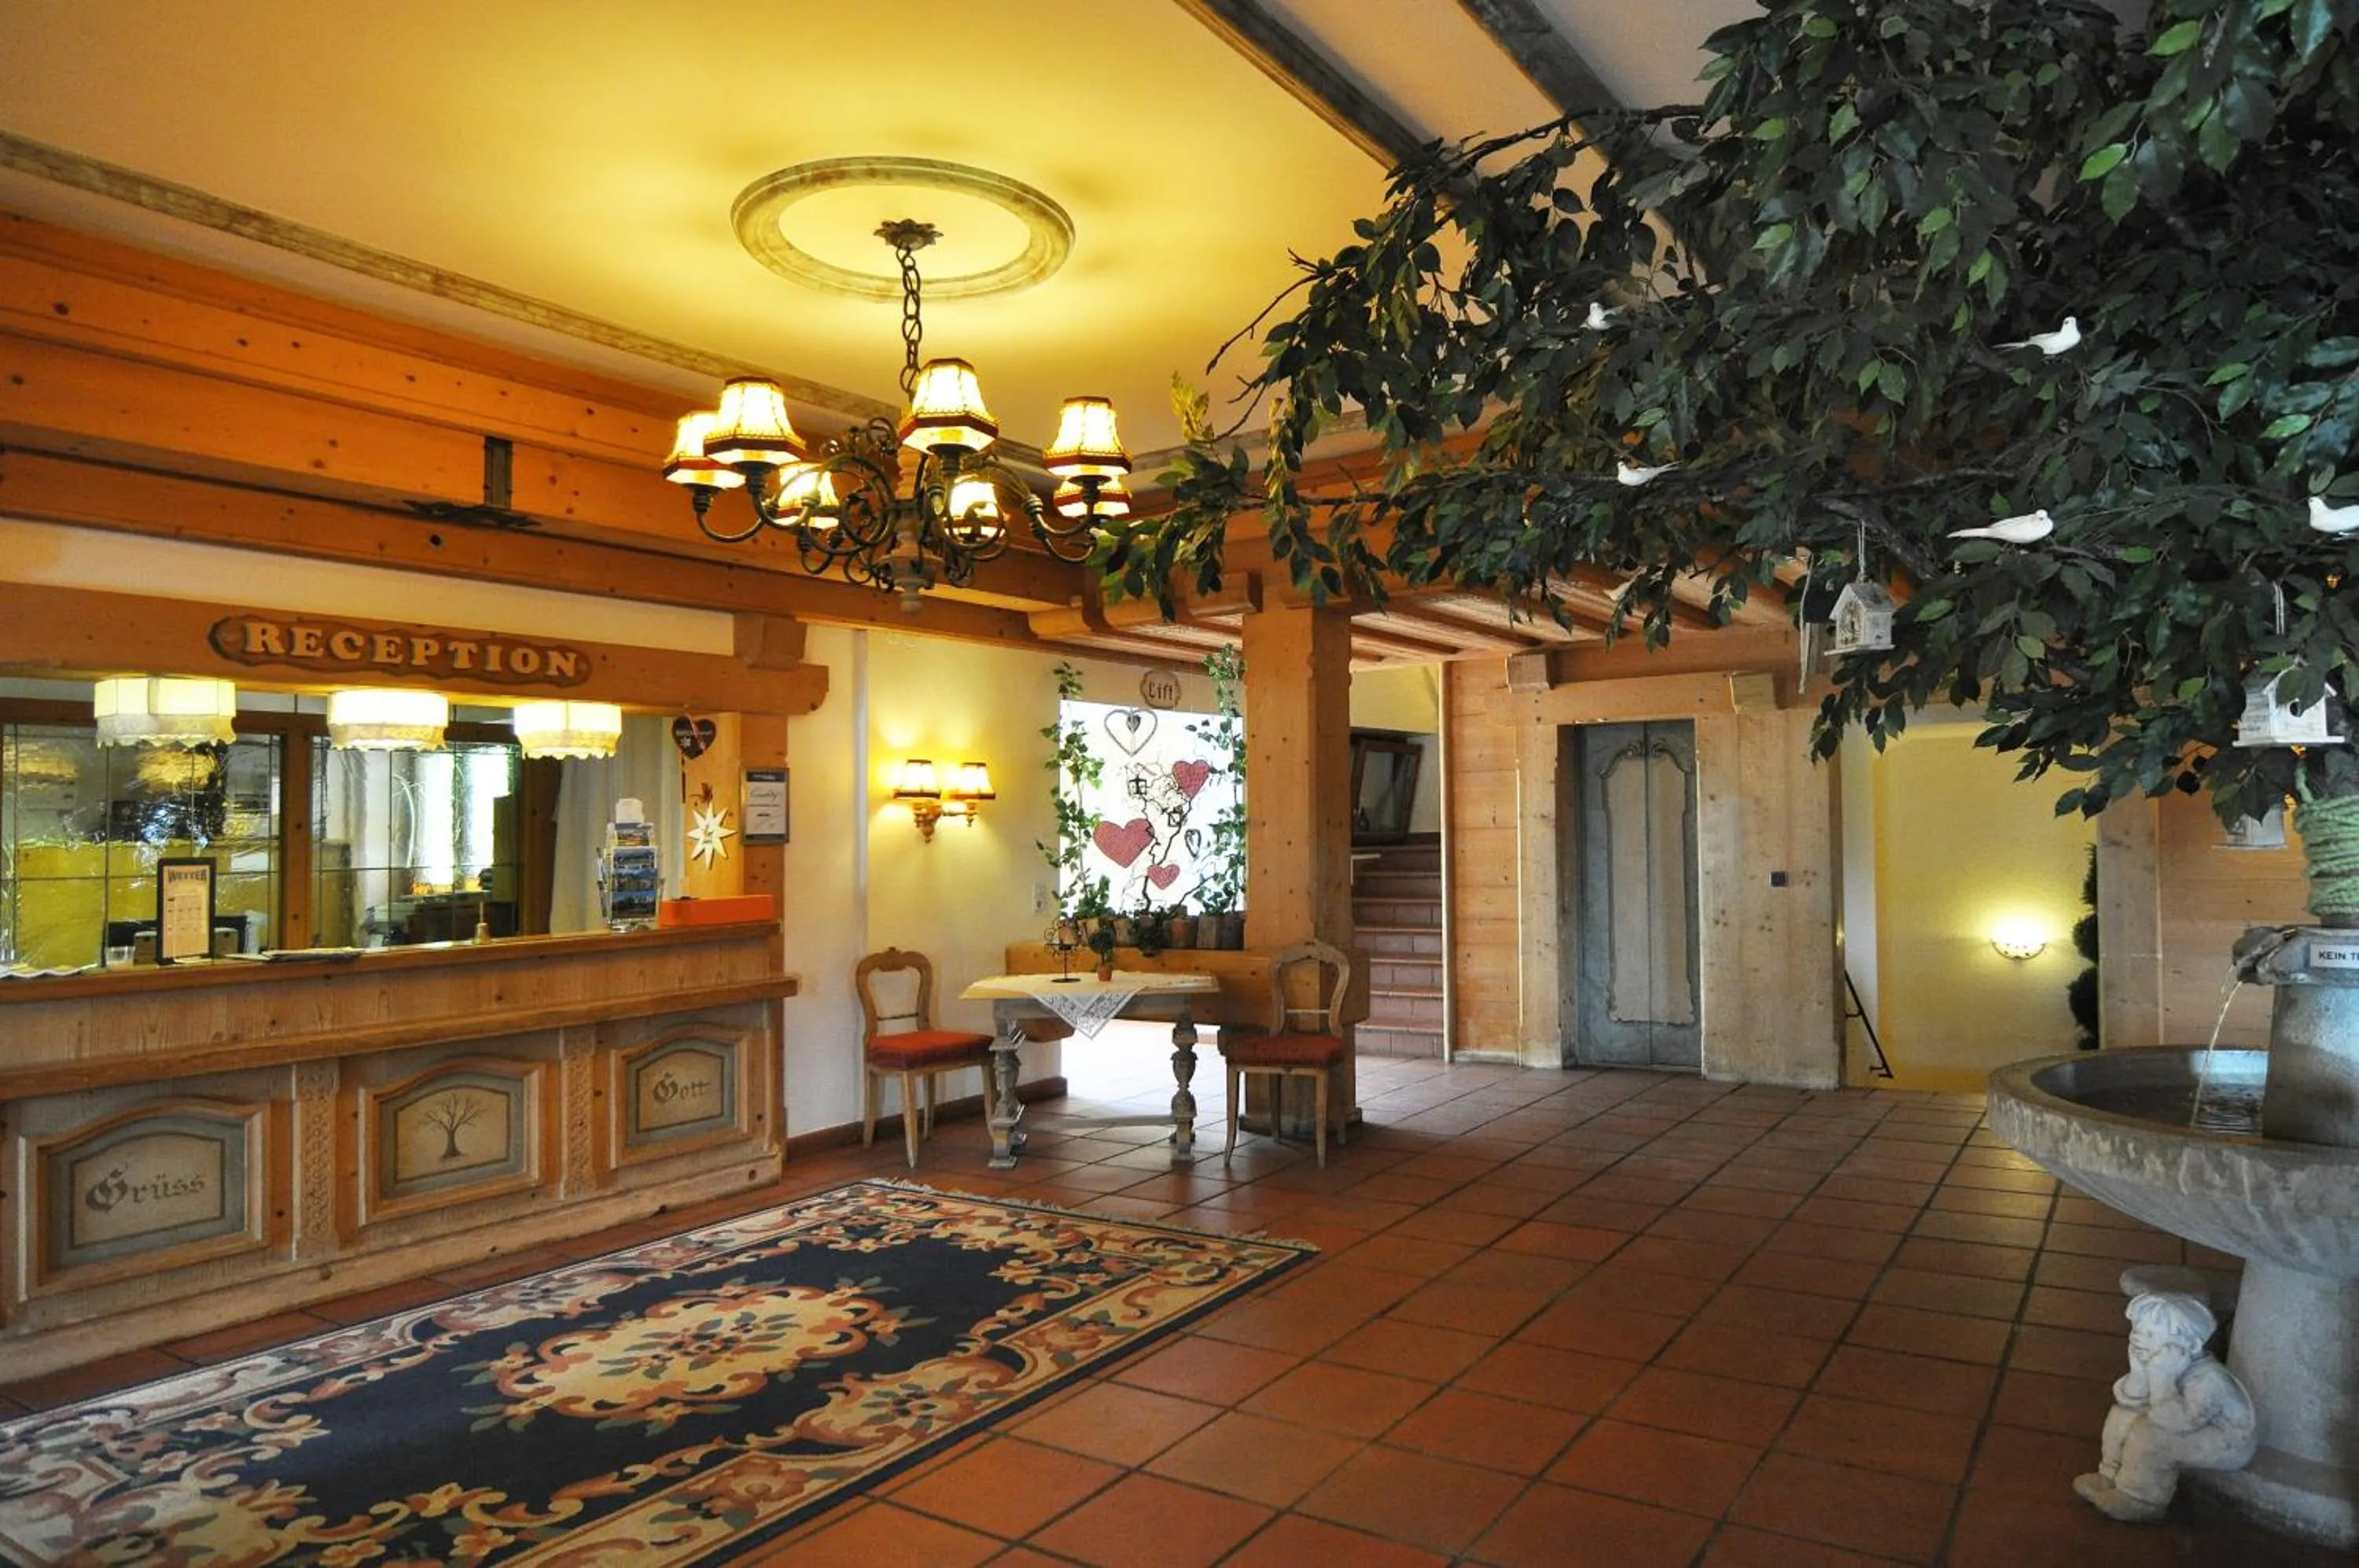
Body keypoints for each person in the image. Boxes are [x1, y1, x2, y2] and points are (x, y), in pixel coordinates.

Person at [2074, 1291, 2258, 1522]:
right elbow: (2131, 1400)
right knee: (2124, 1415)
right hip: (2178, 1416)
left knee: (2151, 1434)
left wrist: (2162, 1379)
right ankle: (2109, 1475)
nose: (2138, 1338)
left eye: (2150, 1335)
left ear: (2189, 1344)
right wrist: (2140, 1372)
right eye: (2137, 1331)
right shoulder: (2161, 1363)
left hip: (2227, 1440)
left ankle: (2141, 1499)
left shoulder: (2209, 1379)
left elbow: (2175, 1423)